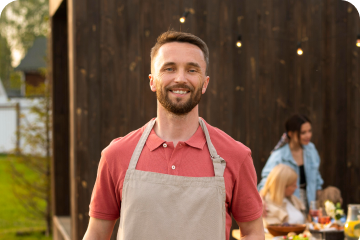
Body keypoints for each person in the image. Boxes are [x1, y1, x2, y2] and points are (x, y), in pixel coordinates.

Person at [83, 31, 264, 240]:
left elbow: (253, 233)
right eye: (169, 68)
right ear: (152, 81)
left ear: (205, 83)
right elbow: (96, 234)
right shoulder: (116, 155)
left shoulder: (236, 156)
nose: (180, 78)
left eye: (192, 69)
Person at [258, 114, 324, 211]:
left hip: (310, 204)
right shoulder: (279, 156)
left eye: (310, 131)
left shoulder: (311, 150)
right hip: (289, 208)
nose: (308, 135)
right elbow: (266, 181)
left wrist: (322, 204)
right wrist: (261, 200)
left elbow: (317, 180)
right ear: (290, 134)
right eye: (303, 132)